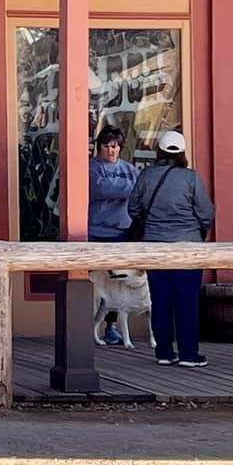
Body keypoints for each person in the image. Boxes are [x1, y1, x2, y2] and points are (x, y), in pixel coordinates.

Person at [127, 130, 215, 368]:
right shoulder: (191, 178)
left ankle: (164, 352)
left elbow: (132, 209)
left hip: (155, 247)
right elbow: (206, 213)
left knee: (161, 300)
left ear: (160, 151)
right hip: (187, 248)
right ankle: (189, 353)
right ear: (182, 153)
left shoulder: (146, 176)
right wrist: (198, 230)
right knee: (187, 301)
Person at [89, 126, 139, 346]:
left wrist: (121, 187)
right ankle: (87, 326)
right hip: (96, 232)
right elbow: (100, 188)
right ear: (99, 147)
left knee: (116, 284)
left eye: (116, 146)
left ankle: (111, 326)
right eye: (108, 146)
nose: (112, 150)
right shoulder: (91, 168)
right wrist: (127, 188)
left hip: (121, 232)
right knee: (93, 283)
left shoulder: (129, 169)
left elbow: (140, 190)